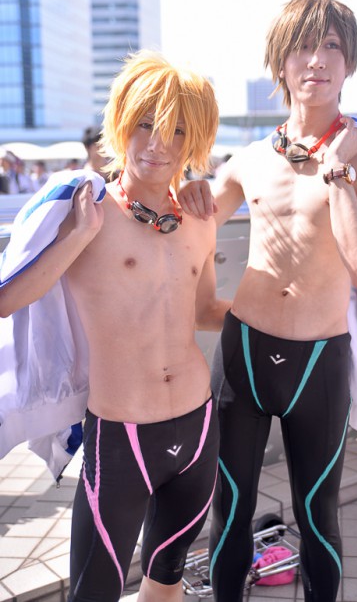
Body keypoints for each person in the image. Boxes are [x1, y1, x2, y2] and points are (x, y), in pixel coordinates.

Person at [178, 0, 357, 602]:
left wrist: (336, 175)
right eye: (304, 47)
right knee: (229, 511)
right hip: (245, 351)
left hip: (318, 363)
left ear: (349, 62)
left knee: (318, 517)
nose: (317, 60)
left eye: (332, 46)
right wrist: (188, 187)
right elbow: (185, 229)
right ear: (280, 62)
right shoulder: (251, 159)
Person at [0, 50, 230, 602]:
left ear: (195, 140)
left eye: (177, 131)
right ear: (121, 123)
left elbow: (204, 311)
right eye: (146, 124)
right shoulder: (85, 209)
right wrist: (78, 236)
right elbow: (7, 301)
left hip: (198, 427)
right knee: (94, 592)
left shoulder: (198, 219)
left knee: (166, 579)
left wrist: (287, 309)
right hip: (121, 435)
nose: (158, 144)